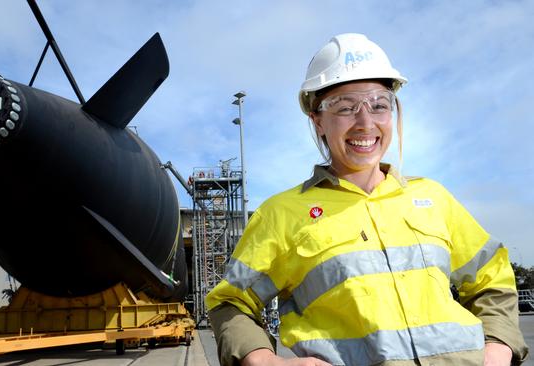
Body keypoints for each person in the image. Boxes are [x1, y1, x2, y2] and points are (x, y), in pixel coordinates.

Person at [206, 33, 528, 366]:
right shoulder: (282, 214)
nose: (365, 123)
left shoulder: (432, 197)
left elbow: (493, 277)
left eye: (379, 105)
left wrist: (498, 346)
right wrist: (265, 361)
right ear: (317, 120)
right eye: (345, 108)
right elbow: (230, 302)